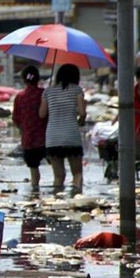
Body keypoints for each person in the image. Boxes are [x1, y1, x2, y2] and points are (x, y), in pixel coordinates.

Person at [39, 64, 86, 194]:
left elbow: (42, 114)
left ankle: (56, 203)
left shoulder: (48, 91)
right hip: (71, 135)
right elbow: (82, 113)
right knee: (77, 173)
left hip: (53, 137)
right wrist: (80, 121)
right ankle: (77, 201)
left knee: (58, 176)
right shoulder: (77, 90)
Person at [12, 65, 47, 192]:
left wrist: (23, 130)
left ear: (23, 80)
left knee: (33, 169)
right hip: (46, 138)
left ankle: (35, 191)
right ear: (38, 79)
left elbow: (16, 118)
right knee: (56, 167)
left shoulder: (20, 97)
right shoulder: (44, 94)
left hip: (29, 139)